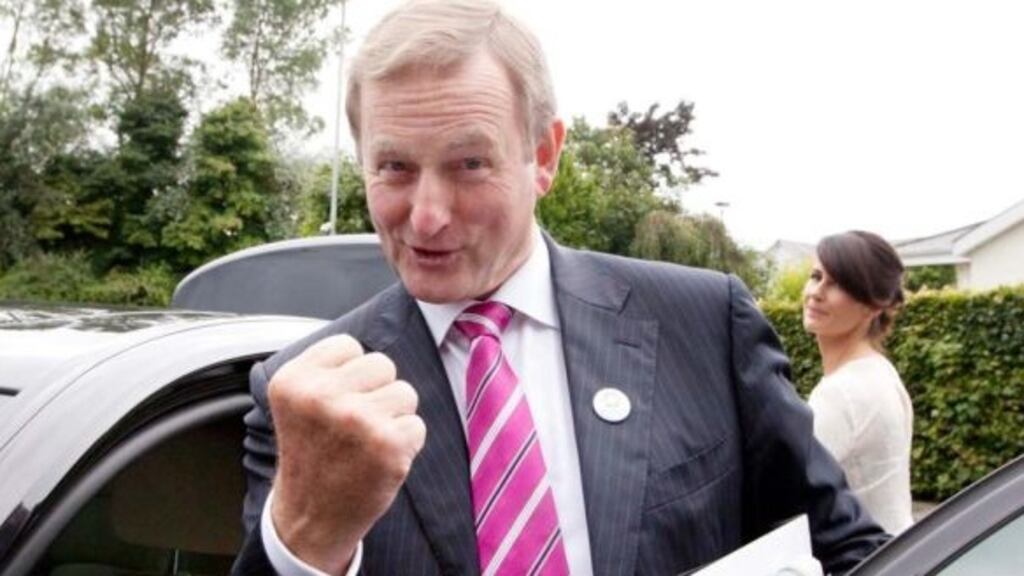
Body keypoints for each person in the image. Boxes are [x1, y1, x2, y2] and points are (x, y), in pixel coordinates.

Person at [233, 1, 889, 575]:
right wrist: (309, 537)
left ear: (544, 156)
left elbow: (851, 551)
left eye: (470, 164)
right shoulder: (301, 396)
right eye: (395, 166)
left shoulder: (703, 325)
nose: (426, 215)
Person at [803, 231, 914, 535]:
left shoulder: (843, 392)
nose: (817, 292)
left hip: (868, 555)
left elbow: (789, 496)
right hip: (896, 548)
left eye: (837, 284)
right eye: (816, 276)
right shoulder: (879, 372)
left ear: (874, 306)